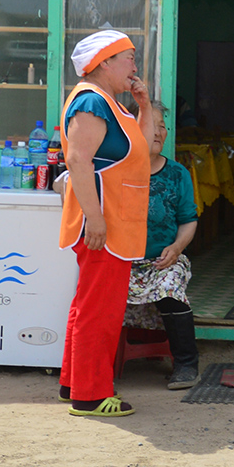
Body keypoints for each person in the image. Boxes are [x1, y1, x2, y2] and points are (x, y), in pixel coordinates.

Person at [56, 30, 154, 418]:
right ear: (104, 64)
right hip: (103, 225)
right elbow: (78, 161)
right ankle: (92, 395)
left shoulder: (113, 104)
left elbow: (141, 150)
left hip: (116, 223)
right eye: (128, 57)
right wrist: (95, 219)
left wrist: (143, 105)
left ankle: (73, 384)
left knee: (89, 305)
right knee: (101, 311)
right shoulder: (91, 102)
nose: (134, 65)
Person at [124, 102, 200, 390]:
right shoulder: (117, 170)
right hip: (123, 260)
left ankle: (186, 365)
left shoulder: (177, 174)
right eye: (152, 125)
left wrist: (177, 247)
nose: (159, 132)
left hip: (163, 260)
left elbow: (188, 219)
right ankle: (95, 367)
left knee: (170, 284)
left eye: (162, 126)